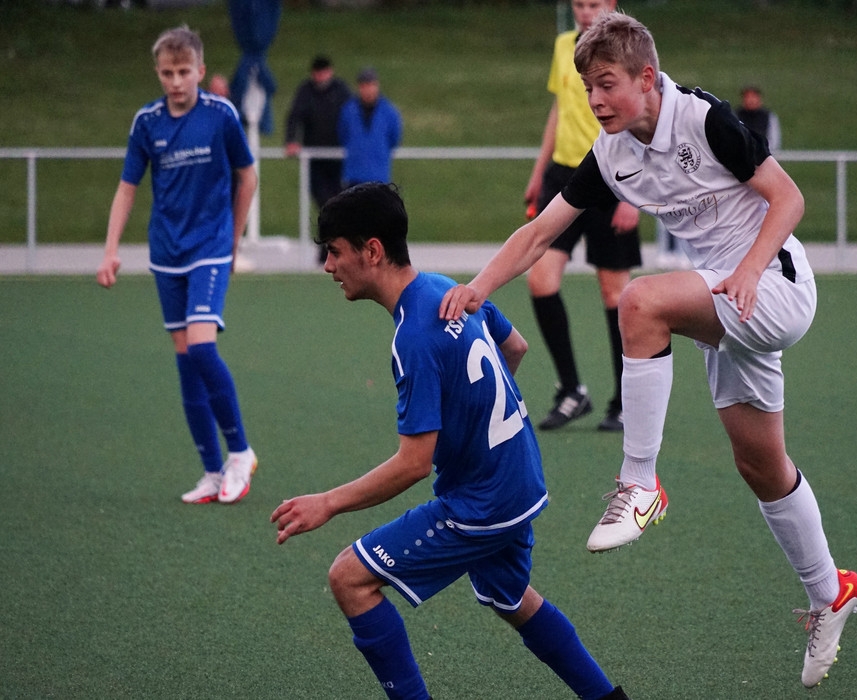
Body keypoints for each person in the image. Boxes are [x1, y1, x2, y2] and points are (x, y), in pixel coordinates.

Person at [440, 13, 857, 688]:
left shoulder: (704, 119)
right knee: (761, 465)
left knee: (639, 302)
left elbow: (788, 198)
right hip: (723, 299)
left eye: (607, 83)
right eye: (588, 88)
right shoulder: (611, 153)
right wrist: (478, 286)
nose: (596, 99)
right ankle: (829, 592)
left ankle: (640, 483)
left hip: (774, 285)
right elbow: (541, 232)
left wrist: (749, 270)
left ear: (646, 77)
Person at [270, 183, 629, 700]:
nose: (328, 265)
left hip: (482, 500)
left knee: (349, 578)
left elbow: (414, 464)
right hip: (520, 477)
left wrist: (327, 503)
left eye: (334, 251)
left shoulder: (413, 339)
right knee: (511, 597)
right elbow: (516, 346)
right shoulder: (445, 288)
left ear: (372, 251)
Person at [97, 25, 259, 505]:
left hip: (210, 246)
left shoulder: (220, 115)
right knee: (186, 360)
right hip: (167, 253)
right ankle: (211, 471)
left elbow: (247, 175)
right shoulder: (147, 122)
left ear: (200, 71)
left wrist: (232, 241)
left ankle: (241, 452)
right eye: (167, 73)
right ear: (158, 73)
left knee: (203, 348)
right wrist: (110, 249)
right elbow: (127, 187)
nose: (175, 81)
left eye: (184, 71)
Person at [523, 0, 642, 432]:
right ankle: (572, 390)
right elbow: (559, 110)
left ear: (610, 4)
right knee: (540, 279)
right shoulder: (564, 47)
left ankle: (626, 401)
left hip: (613, 177)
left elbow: (641, 116)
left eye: (594, 4)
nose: (586, 11)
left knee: (616, 295)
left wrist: (634, 197)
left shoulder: (627, 50)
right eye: (579, 4)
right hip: (564, 176)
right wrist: (539, 172)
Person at [284, 55, 352, 263]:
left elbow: (352, 118)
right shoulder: (306, 91)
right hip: (314, 161)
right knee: (325, 204)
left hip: (338, 160)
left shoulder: (341, 91)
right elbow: (294, 116)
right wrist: (291, 140)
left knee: (338, 205)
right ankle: (328, 249)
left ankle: (334, 250)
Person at [338, 67, 403, 188]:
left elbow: (394, 138)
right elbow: (342, 134)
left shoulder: (389, 111)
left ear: (377, 85)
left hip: (379, 176)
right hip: (353, 175)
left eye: (370, 85)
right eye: (364, 86)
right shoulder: (348, 110)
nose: (367, 90)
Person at [736, 85, 781, 151]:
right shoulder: (735, 116)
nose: (750, 100)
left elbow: (774, 140)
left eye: (753, 97)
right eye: (747, 97)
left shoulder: (769, 116)